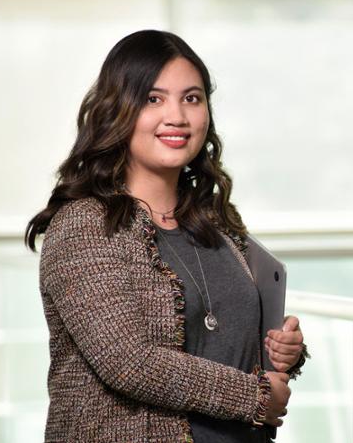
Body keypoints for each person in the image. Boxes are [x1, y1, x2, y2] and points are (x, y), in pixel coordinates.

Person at [25, 29, 308, 443]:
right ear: (117, 109)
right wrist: (254, 396)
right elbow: (127, 362)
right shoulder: (83, 225)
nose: (176, 116)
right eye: (153, 99)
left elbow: (229, 336)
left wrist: (285, 349)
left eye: (191, 98)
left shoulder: (216, 221)